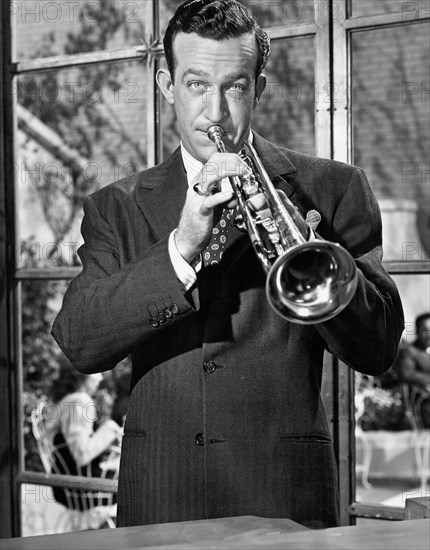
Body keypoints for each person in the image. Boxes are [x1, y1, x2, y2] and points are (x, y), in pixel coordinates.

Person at [52, 0, 404, 529]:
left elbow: (377, 349)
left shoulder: (332, 188)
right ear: (166, 85)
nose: (214, 112)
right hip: (162, 495)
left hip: (285, 493)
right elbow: (80, 340)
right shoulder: (117, 205)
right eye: (195, 85)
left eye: (235, 87)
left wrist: (310, 247)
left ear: (258, 89)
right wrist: (181, 248)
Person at [45, 358, 123, 510]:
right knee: (139, 484)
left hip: (68, 486)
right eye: (97, 372)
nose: (100, 378)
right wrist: (110, 429)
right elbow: (81, 455)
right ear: (82, 373)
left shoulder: (66, 401)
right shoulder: (79, 401)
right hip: (82, 489)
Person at [382, 313, 430, 427]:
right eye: (425, 330)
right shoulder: (410, 351)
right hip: (422, 405)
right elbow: (406, 374)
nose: (429, 335)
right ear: (417, 331)